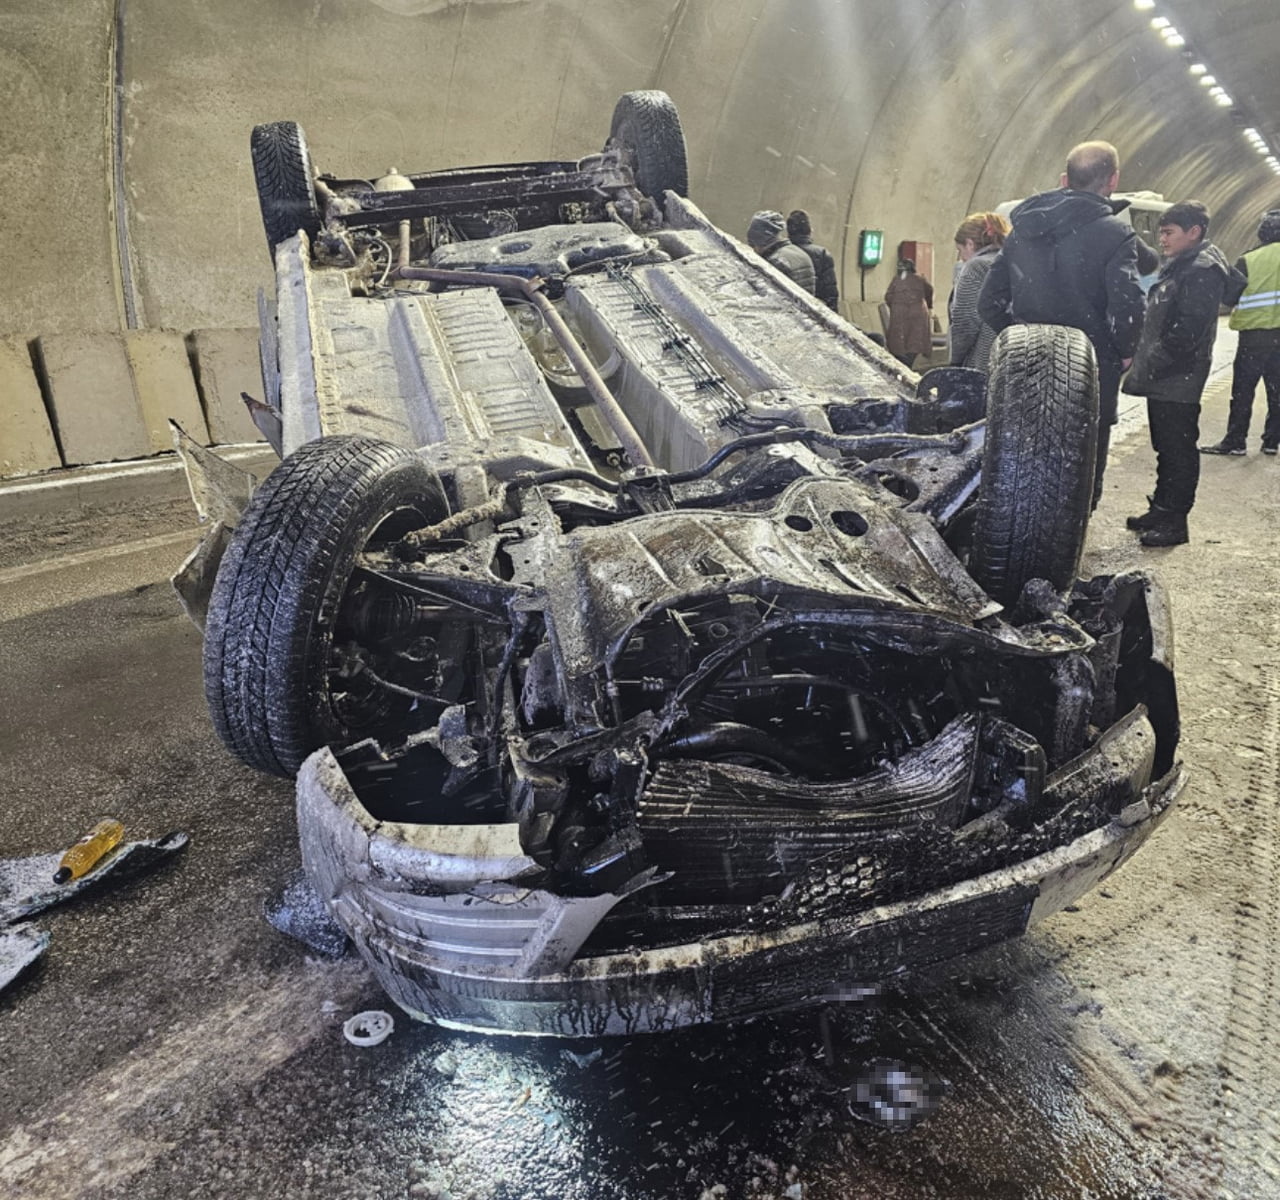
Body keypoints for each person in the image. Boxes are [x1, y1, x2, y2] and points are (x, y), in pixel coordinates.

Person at [978, 141, 1146, 506]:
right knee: (1085, 450)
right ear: (1113, 179)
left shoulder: (1021, 230)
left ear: (1065, 179)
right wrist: (1123, 351)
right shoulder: (1115, 234)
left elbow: (987, 302)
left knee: (1022, 443)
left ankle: (1022, 516)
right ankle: (1076, 521)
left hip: (1025, 358)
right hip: (1091, 361)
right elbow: (1127, 306)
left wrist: (1017, 333)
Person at [1119, 201, 1240, 547]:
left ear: (1194, 232)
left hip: (1179, 375)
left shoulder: (1202, 270)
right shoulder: (1182, 265)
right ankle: (1162, 508)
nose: (1162, 239)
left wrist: (1154, 358)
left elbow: (1188, 331)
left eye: (1169, 232)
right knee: (1166, 446)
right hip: (1168, 375)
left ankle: (1175, 522)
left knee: (1178, 448)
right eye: (1160, 231)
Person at [1199, 208, 1280, 456]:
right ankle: (1271, 441)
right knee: (1277, 390)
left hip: (1254, 335)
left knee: (1243, 390)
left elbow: (1230, 296)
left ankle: (1236, 440)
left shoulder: (1249, 260)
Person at [948, 212, 1011, 373]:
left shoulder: (976, 267)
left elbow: (966, 321)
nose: (961, 258)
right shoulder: (1016, 261)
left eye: (960, 250)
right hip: (1015, 358)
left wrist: (955, 360)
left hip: (986, 361)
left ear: (970, 244)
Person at [746, 210, 816, 293]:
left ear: (761, 240)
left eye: (753, 245)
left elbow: (768, 296)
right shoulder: (798, 252)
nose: (754, 251)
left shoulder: (775, 262)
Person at [884, 258, 934, 368]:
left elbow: (888, 297)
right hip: (917, 312)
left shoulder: (896, 280)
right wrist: (928, 305)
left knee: (899, 339)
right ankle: (910, 360)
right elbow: (929, 290)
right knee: (915, 338)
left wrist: (895, 306)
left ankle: (902, 361)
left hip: (899, 312)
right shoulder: (920, 279)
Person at [786, 209, 839, 311]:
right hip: (815, 310)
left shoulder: (781, 254)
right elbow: (830, 293)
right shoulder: (822, 254)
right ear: (810, 230)